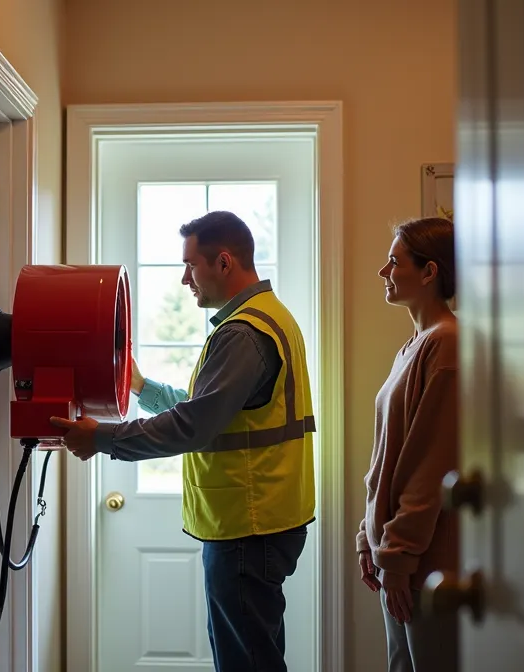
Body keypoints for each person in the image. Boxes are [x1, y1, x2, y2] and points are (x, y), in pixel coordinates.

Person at [50, 211, 317, 672]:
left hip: (247, 525)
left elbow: (193, 425)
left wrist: (102, 438)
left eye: (190, 266)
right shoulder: (267, 317)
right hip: (262, 518)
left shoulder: (243, 334)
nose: (183, 280)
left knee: (246, 661)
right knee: (253, 652)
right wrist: (140, 386)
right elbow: (206, 409)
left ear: (224, 262)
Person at [356, 217, 461, 672]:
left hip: (426, 561)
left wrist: (397, 556)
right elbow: (386, 456)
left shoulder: (449, 346)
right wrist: (368, 536)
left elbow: (431, 464)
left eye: (394, 261)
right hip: (399, 557)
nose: (384, 272)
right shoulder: (413, 346)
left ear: (429, 272)